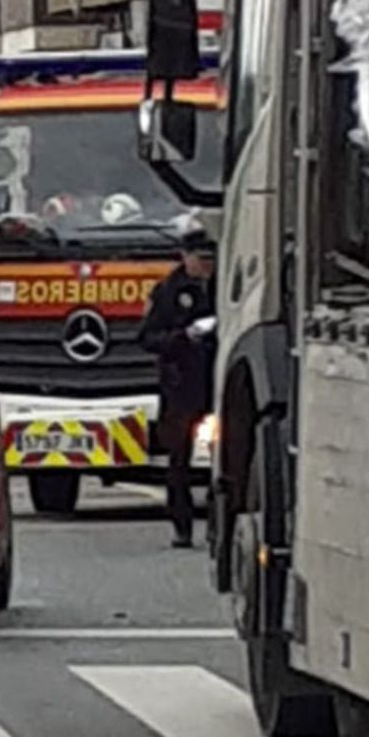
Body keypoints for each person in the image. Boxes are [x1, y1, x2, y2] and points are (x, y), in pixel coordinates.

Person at [139, 230, 217, 549]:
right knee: (179, 459)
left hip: (216, 378)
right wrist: (183, 337)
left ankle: (218, 522)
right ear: (185, 257)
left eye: (211, 260)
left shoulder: (224, 285)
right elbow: (148, 337)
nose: (206, 266)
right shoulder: (170, 291)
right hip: (181, 382)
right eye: (200, 259)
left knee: (225, 455)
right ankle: (181, 525)